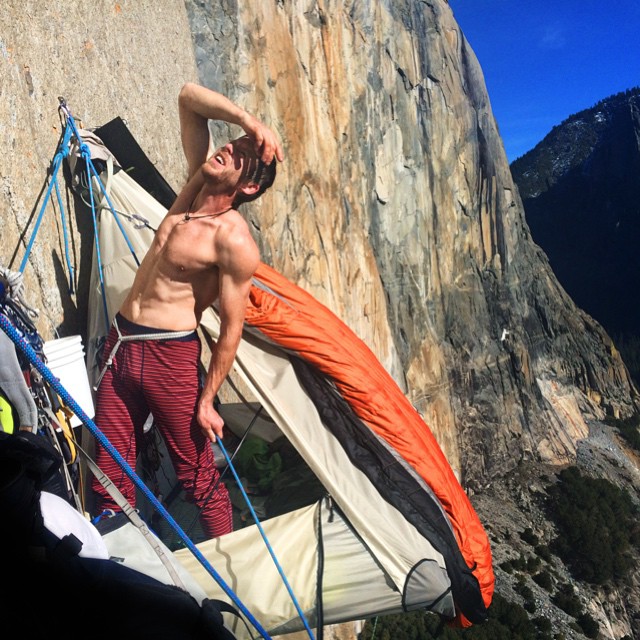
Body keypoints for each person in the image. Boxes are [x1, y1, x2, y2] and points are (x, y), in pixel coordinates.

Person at [91, 82, 284, 539]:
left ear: (249, 186)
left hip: (169, 358)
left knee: (197, 476)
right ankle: (114, 555)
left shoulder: (233, 240)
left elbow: (232, 328)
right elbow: (187, 98)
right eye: (231, 144)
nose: (227, 150)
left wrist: (207, 399)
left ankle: (231, 559)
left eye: (240, 156)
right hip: (122, 342)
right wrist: (246, 122)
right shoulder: (195, 190)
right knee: (108, 465)